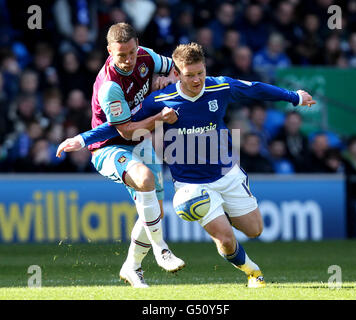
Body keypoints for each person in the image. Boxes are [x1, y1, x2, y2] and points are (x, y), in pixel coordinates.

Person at [57, 42, 316, 288]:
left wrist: (294, 97)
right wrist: (81, 139)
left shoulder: (220, 86)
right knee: (226, 240)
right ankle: (253, 272)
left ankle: (223, 212)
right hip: (192, 184)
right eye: (190, 75)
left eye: (200, 73)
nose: (196, 80)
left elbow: (256, 88)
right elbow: (121, 124)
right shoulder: (159, 101)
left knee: (255, 229)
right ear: (177, 74)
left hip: (226, 173)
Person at [58, 22, 185, 288]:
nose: (127, 60)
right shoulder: (109, 86)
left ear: (137, 45)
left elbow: (175, 67)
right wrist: (159, 117)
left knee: (155, 212)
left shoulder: (147, 57)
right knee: (145, 177)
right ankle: (162, 250)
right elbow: (125, 131)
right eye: (121, 55)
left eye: (130, 53)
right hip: (108, 146)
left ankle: (132, 267)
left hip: (140, 139)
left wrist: (169, 80)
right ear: (109, 51)